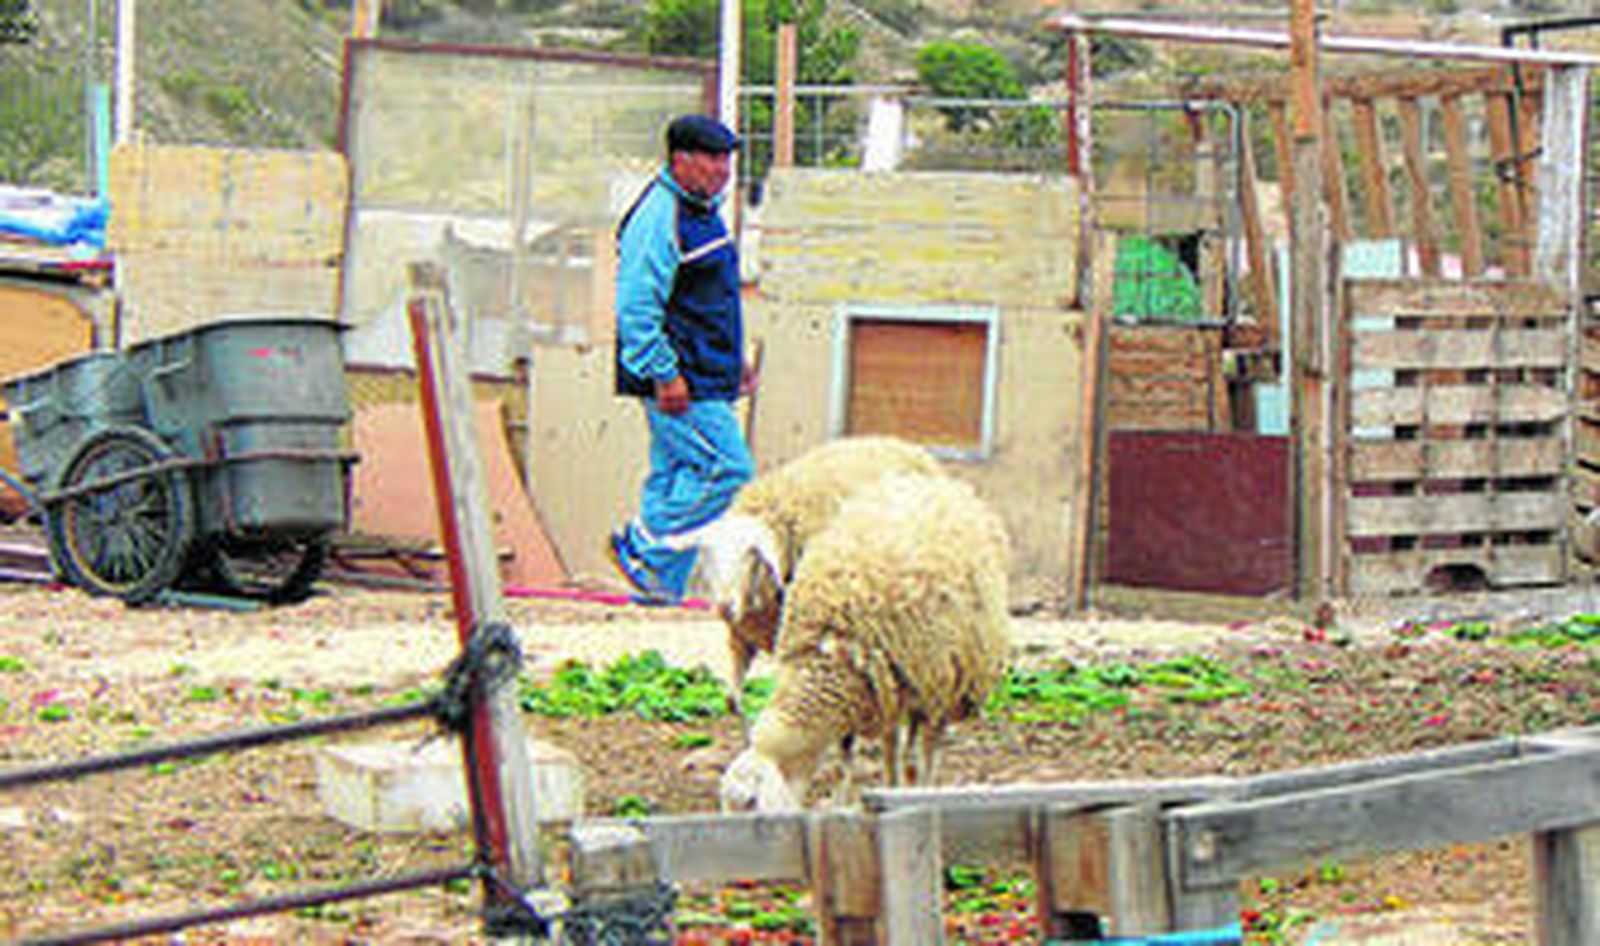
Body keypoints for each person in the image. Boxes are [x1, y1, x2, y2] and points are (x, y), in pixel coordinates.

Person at [609, 114, 757, 601]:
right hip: (680, 380)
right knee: (726, 468)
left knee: (675, 470)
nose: (723, 169)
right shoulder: (659, 215)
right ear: (681, 159)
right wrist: (663, 373)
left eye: (727, 159)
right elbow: (636, 304)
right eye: (712, 158)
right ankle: (644, 544)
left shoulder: (700, 209)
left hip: (706, 372)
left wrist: (734, 359)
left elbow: (709, 295)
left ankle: (657, 589)